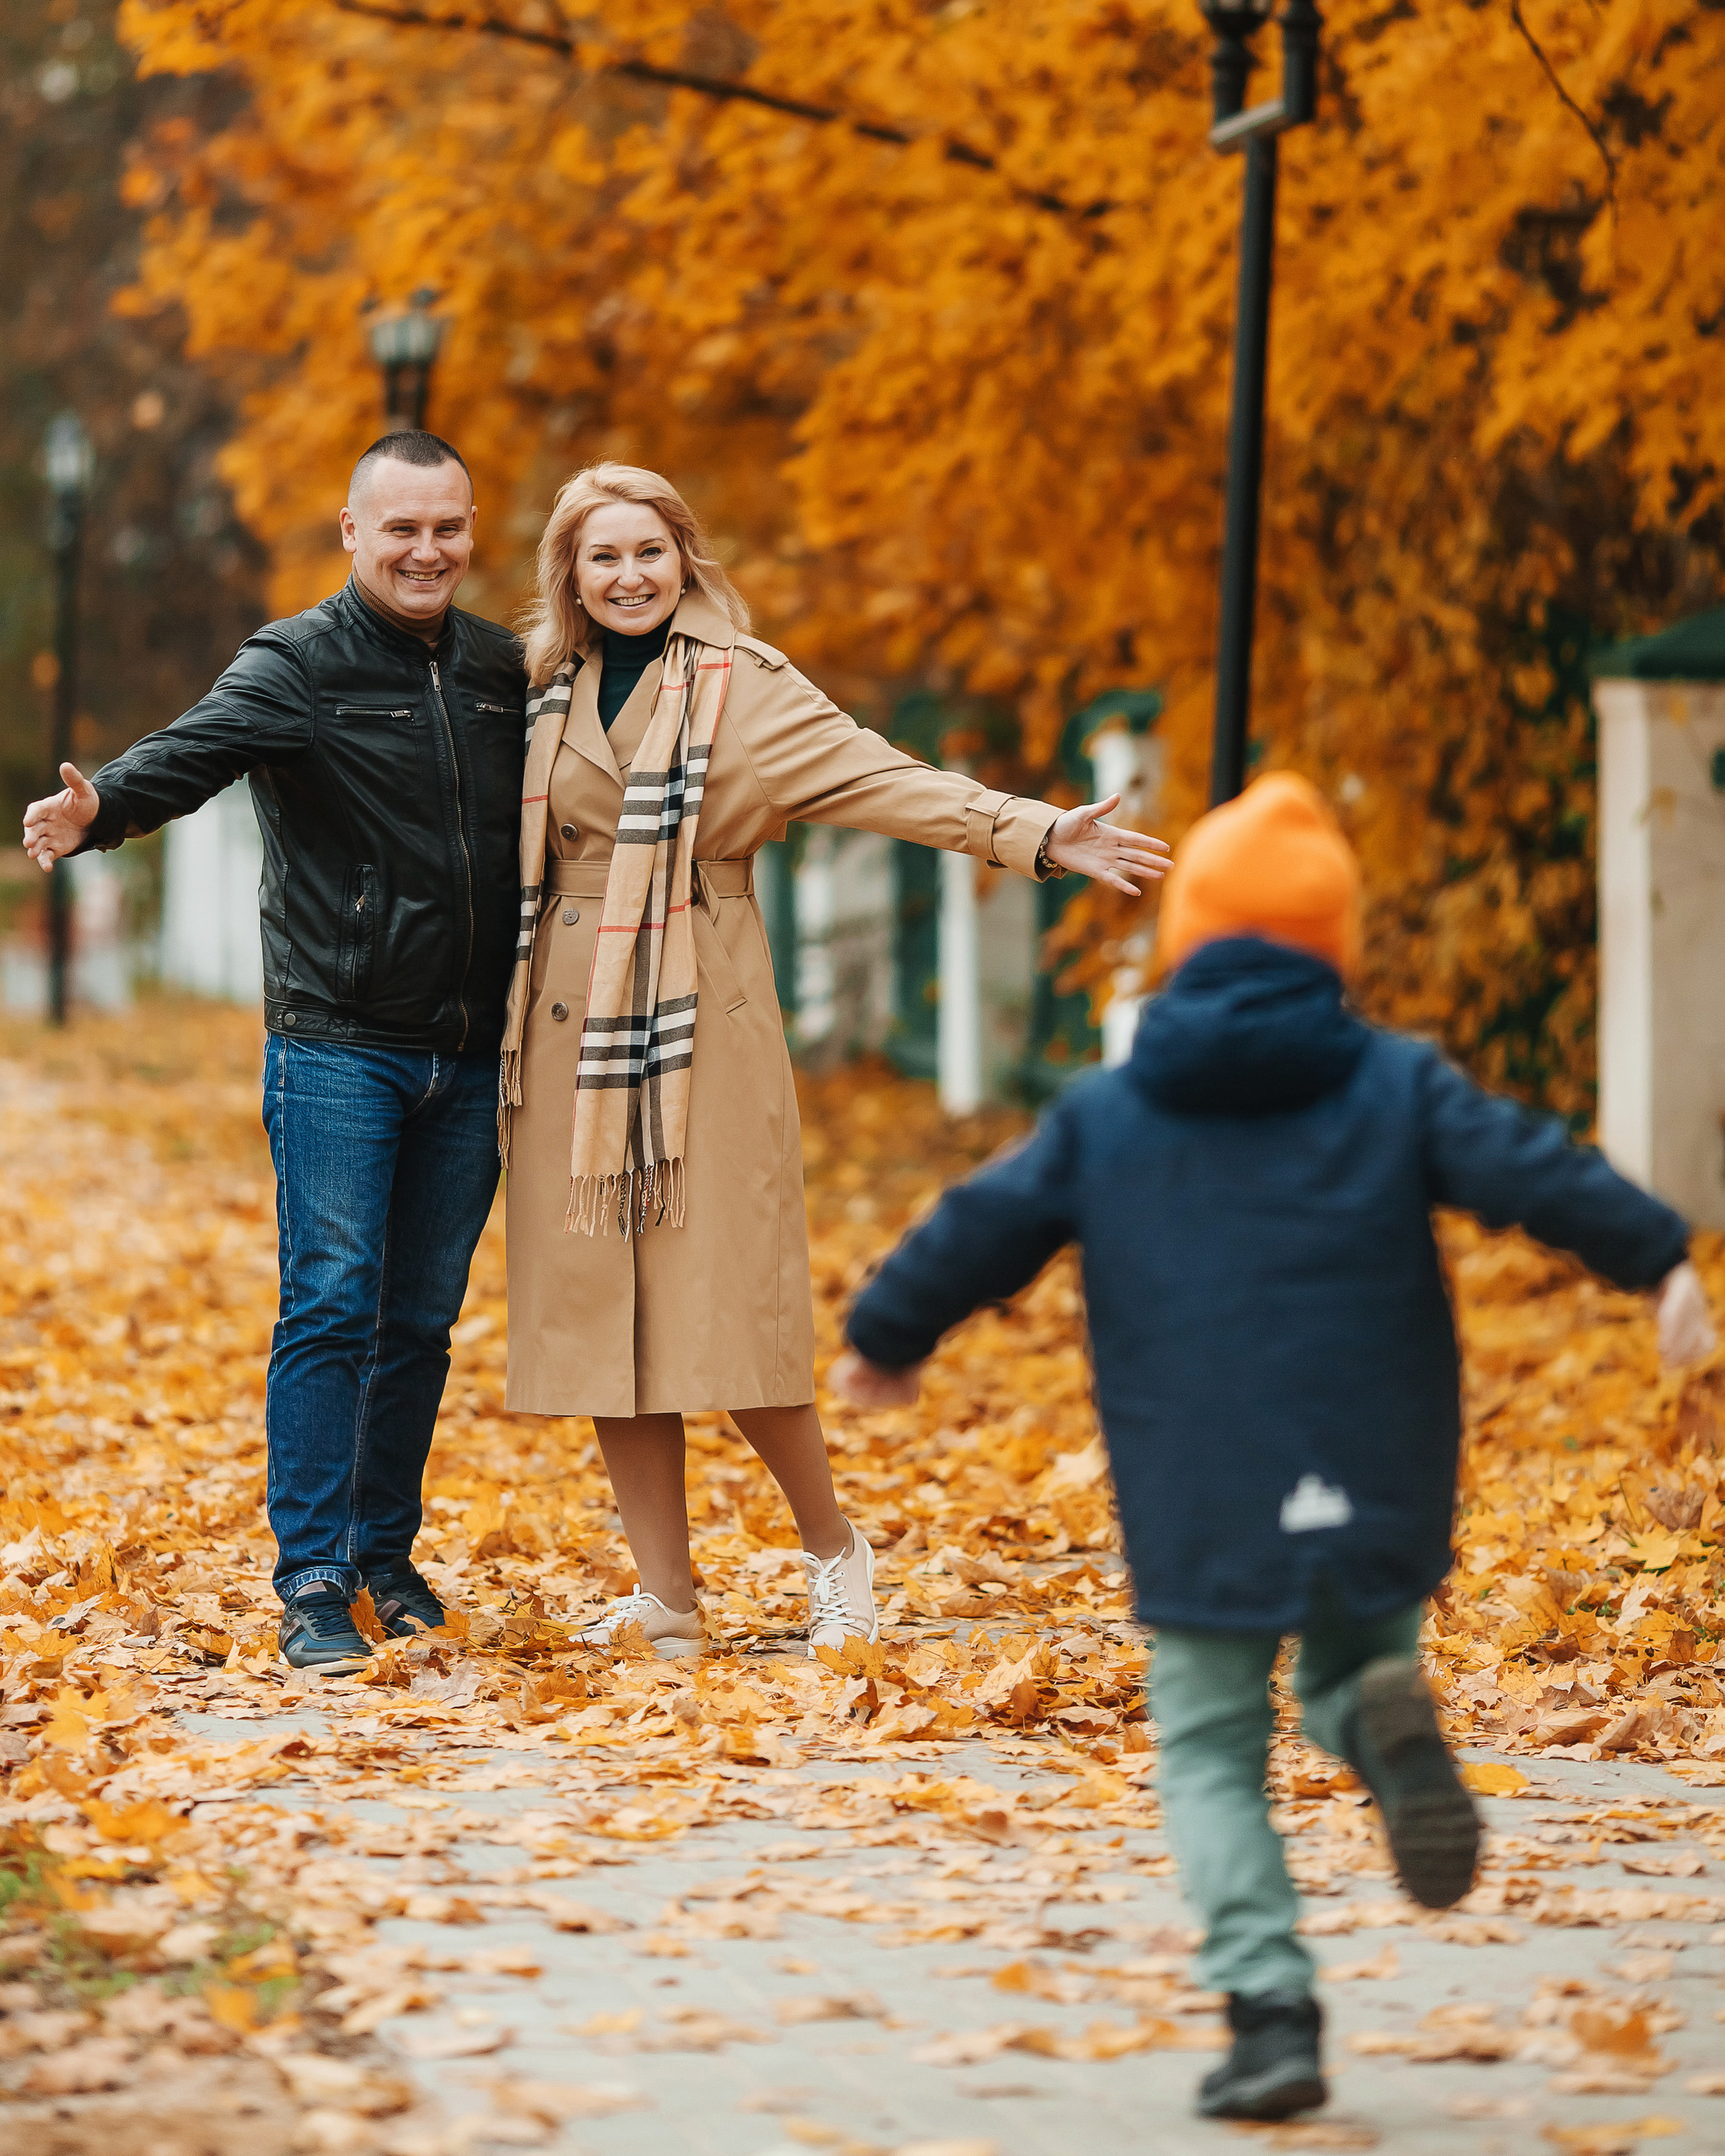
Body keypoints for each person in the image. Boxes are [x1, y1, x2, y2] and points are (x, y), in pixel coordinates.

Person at [832, 772, 1714, 2125]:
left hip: (1202, 1474)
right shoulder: (1396, 1082)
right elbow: (1530, 1166)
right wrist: (1656, 1256)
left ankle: (1271, 2011)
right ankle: (1376, 1726)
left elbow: (981, 1223)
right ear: (1334, 946)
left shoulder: (1111, 1110)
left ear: (1187, 939)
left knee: (1207, 1744)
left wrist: (887, 1336)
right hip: (1375, 1454)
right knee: (1354, 1668)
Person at [499, 460, 1171, 1659]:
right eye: (602, 557)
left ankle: (833, 1550)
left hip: (703, 1009)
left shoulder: (744, 690)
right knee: (604, 1316)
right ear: (571, 575)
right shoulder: (544, 693)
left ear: (686, 557)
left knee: (730, 1305)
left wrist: (1038, 836)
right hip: (569, 1027)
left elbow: (885, 780)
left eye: (648, 551)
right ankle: (667, 1595)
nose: (629, 575)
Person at [21, 431, 526, 1675]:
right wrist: (105, 812)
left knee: (419, 1321)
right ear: (351, 532)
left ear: (471, 529)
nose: (426, 549)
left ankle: (384, 1557)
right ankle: (310, 1579)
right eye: (399, 527)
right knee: (333, 1303)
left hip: (471, 1049)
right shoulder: (299, 663)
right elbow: (193, 754)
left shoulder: (505, 669)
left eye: (447, 527)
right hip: (340, 1042)